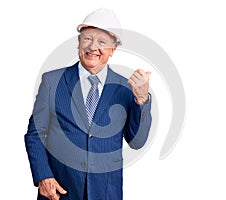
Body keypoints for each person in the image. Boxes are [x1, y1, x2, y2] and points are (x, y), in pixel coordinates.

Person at [25, 8, 152, 200]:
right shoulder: (53, 81)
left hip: (106, 193)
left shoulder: (125, 89)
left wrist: (142, 101)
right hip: (59, 192)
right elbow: (35, 133)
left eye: (102, 42)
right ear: (78, 43)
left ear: (113, 50)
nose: (93, 47)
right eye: (87, 39)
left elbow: (137, 142)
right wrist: (43, 176)